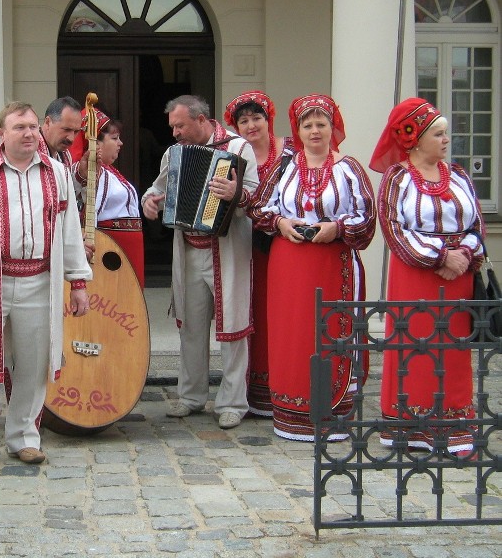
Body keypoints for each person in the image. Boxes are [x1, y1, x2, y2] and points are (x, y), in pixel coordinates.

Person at [0, 101, 91, 471]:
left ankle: (24, 437)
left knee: (33, 363)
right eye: (18, 127)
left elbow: (70, 231)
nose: (27, 133)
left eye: (30, 127)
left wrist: (77, 282)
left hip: (39, 281)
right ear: (1, 134)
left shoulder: (57, 174)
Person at [248, 94, 376, 441]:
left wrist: (337, 228)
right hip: (288, 265)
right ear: (298, 130)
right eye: (308, 125)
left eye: (321, 124)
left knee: (328, 331)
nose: (315, 130)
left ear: (333, 128)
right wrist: (281, 223)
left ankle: (331, 411)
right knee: (291, 333)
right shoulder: (285, 167)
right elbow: (259, 207)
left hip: (333, 264)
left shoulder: (349, 168)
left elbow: (367, 218)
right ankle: (290, 412)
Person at [369, 98, 482, 455]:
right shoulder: (397, 178)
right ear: (415, 139)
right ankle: (412, 427)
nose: (446, 140)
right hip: (415, 279)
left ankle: (453, 425)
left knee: (452, 353)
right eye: (438, 133)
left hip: (458, 279)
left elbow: (476, 223)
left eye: (446, 133)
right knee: (415, 352)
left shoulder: (460, 175)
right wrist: (438, 256)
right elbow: (393, 228)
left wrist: (463, 254)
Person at [142, 95, 258, 429]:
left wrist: (235, 193)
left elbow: (255, 194)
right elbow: (158, 187)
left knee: (233, 327)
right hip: (190, 250)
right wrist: (150, 200)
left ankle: (233, 401)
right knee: (191, 325)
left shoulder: (238, 148)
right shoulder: (173, 153)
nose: (175, 132)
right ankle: (191, 396)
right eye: (173, 126)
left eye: (180, 125)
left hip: (227, 249)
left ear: (202, 119)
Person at [223, 92, 295, 417]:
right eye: (243, 121)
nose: (251, 125)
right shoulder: (233, 156)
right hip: (248, 245)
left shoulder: (292, 151)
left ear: (269, 119)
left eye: (257, 118)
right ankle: (255, 390)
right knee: (253, 313)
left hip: (286, 246)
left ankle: (288, 384)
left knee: (283, 313)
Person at [73, 113, 145, 287]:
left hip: (128, 246)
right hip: (109, 248)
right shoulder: (88, 170)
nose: (120, 143)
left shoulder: (111, 171)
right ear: (95, 143)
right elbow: (81, 189)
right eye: (114, 138)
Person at [39, 96, 83, 167]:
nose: (71, 138)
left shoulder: (65, 154)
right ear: (48, 122)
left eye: (76, 132)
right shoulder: (30, 151)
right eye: (66, 129)